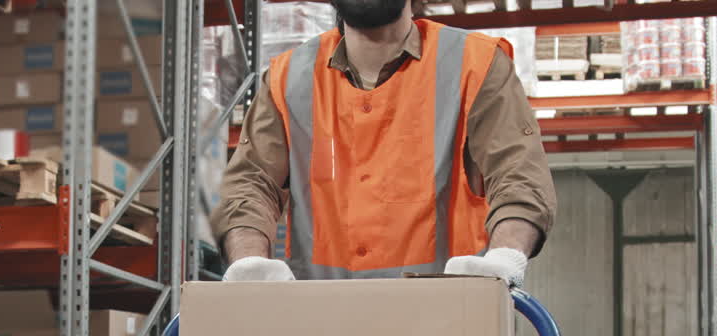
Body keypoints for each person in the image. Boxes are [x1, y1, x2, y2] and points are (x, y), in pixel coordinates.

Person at [210, 0, 556, 286]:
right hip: (322, 325)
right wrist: (249, 260)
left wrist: (504, 257)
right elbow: (251, 182)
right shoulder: (289, 78)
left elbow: (518, 174)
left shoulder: (475, 65)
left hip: (448, 320)